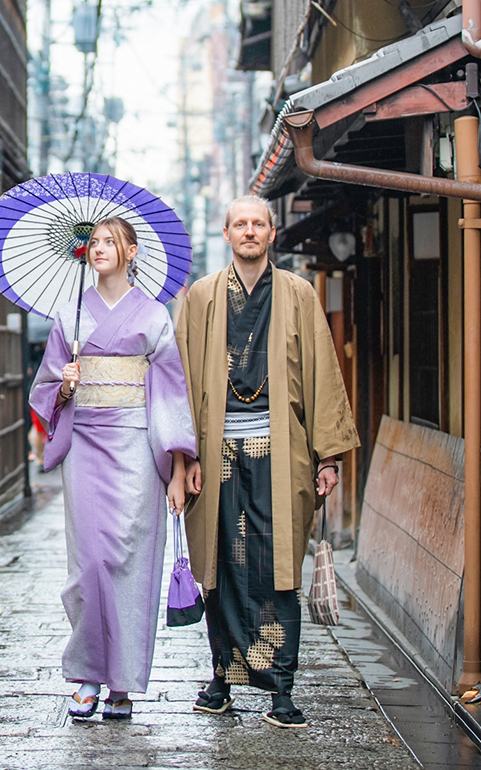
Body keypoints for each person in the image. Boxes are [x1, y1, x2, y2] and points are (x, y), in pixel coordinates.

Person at [174, 196, 359, 728]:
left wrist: (327, 456)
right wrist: (182, 458)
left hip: (284, 452)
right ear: (226, 233)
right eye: (240, 224)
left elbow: (322, 372)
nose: (249, 232)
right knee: (220, 565)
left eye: (258, 223)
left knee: (279, 569)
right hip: (216, 453)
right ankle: (221, 676)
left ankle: (281, 688)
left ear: (272, 233)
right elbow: (183, 380)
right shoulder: (204, 296)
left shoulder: (298, 293)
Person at [29, 217, 197, 721]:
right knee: (89, 564)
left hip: (136, 446)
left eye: (110, 242)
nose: (99, 248)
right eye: (94, 242)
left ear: (131, 251)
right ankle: (86, 674)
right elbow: (44, 389)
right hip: (83, 443)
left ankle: (122, 682)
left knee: (130, 560)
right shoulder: (70, 314)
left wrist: (177, 467)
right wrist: (65, 385)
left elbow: (169, 392)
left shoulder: (154, 315)